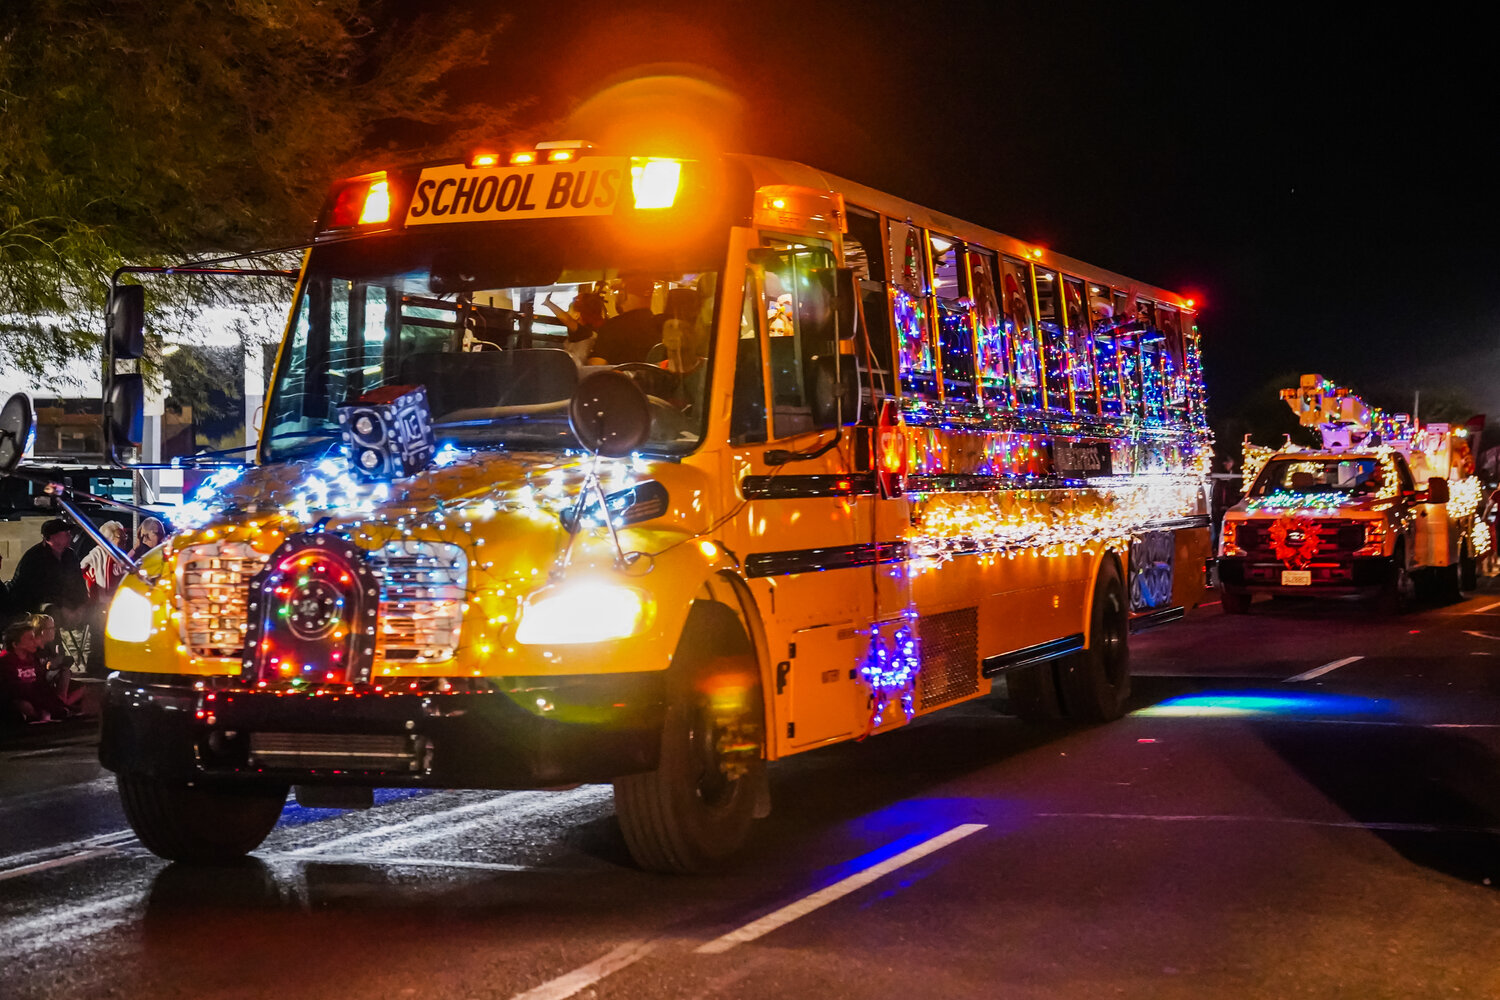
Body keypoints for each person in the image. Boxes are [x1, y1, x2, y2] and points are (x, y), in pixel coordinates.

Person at [0, 618, 82, 725]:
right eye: (30, 639)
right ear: (16, 644)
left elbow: (41, 684)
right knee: (24, 706)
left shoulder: (32, 659)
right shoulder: (6, 662)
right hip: (17, 700)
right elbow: (12, 691)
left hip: (34, 697)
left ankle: (55, 711)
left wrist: (56, 703)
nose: (35, 641)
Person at [8, 518, 88, 622]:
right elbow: (38, 591)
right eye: (65, 533)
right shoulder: (34, 558)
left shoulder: (70, 555)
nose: (70, 535)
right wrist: (63, 607)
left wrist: (82, 604)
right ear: (52, 537)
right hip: (32, 604)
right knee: (51, 611)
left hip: (62, 600)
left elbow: (78, 581)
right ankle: (52, 637)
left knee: (97, 610)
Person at [596, 276, 665, 363]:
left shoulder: (610, 327)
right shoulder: (663, 327)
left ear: (623, 295)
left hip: (619, 376)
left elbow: (597, 365)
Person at [542, 289, 607, 365]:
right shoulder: (591, 333)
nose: (566, 313)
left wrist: (548, 303)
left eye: (568, 310)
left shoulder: (584, 333)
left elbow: (566, 319)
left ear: (577, 315)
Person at [81, 521, 128, 600]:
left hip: (116, 599)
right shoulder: (99, 553)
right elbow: (82, 566)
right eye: (120, 537)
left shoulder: (120, 555)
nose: (124, 540)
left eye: (125, 537)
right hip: (100, 600)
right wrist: (90, 576)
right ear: (109, 539)